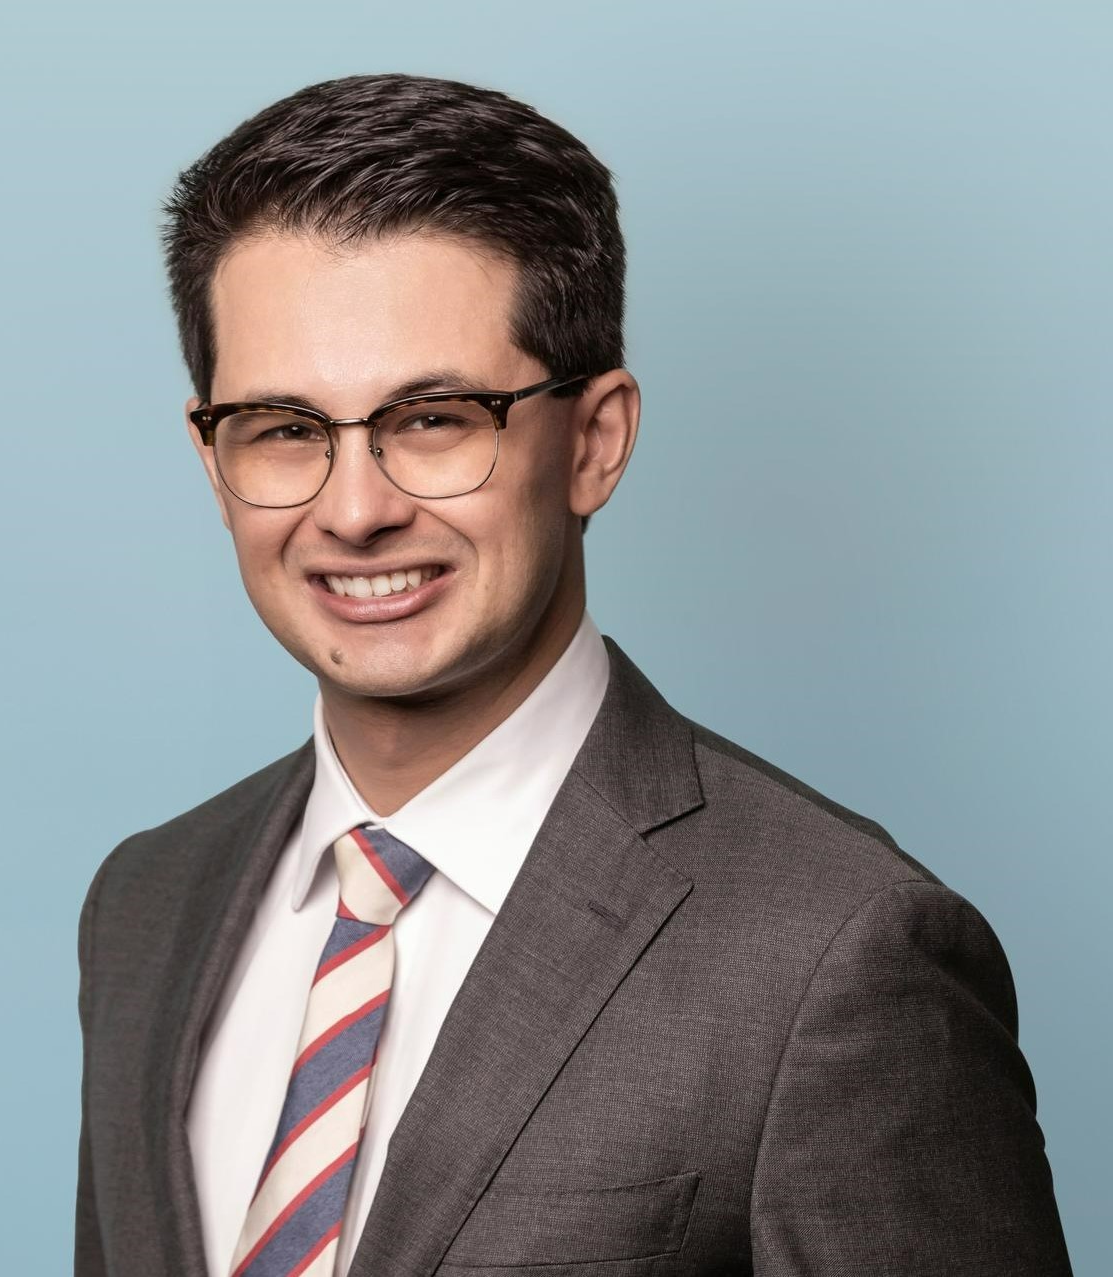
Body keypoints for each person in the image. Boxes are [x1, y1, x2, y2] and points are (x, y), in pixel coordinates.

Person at [74, 73, 1072, 1277]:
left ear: (593, 441)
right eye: (286, 429)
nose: (353, 510)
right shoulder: (146, 903)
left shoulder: (836, 950)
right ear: (211, 456)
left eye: (433, 418)